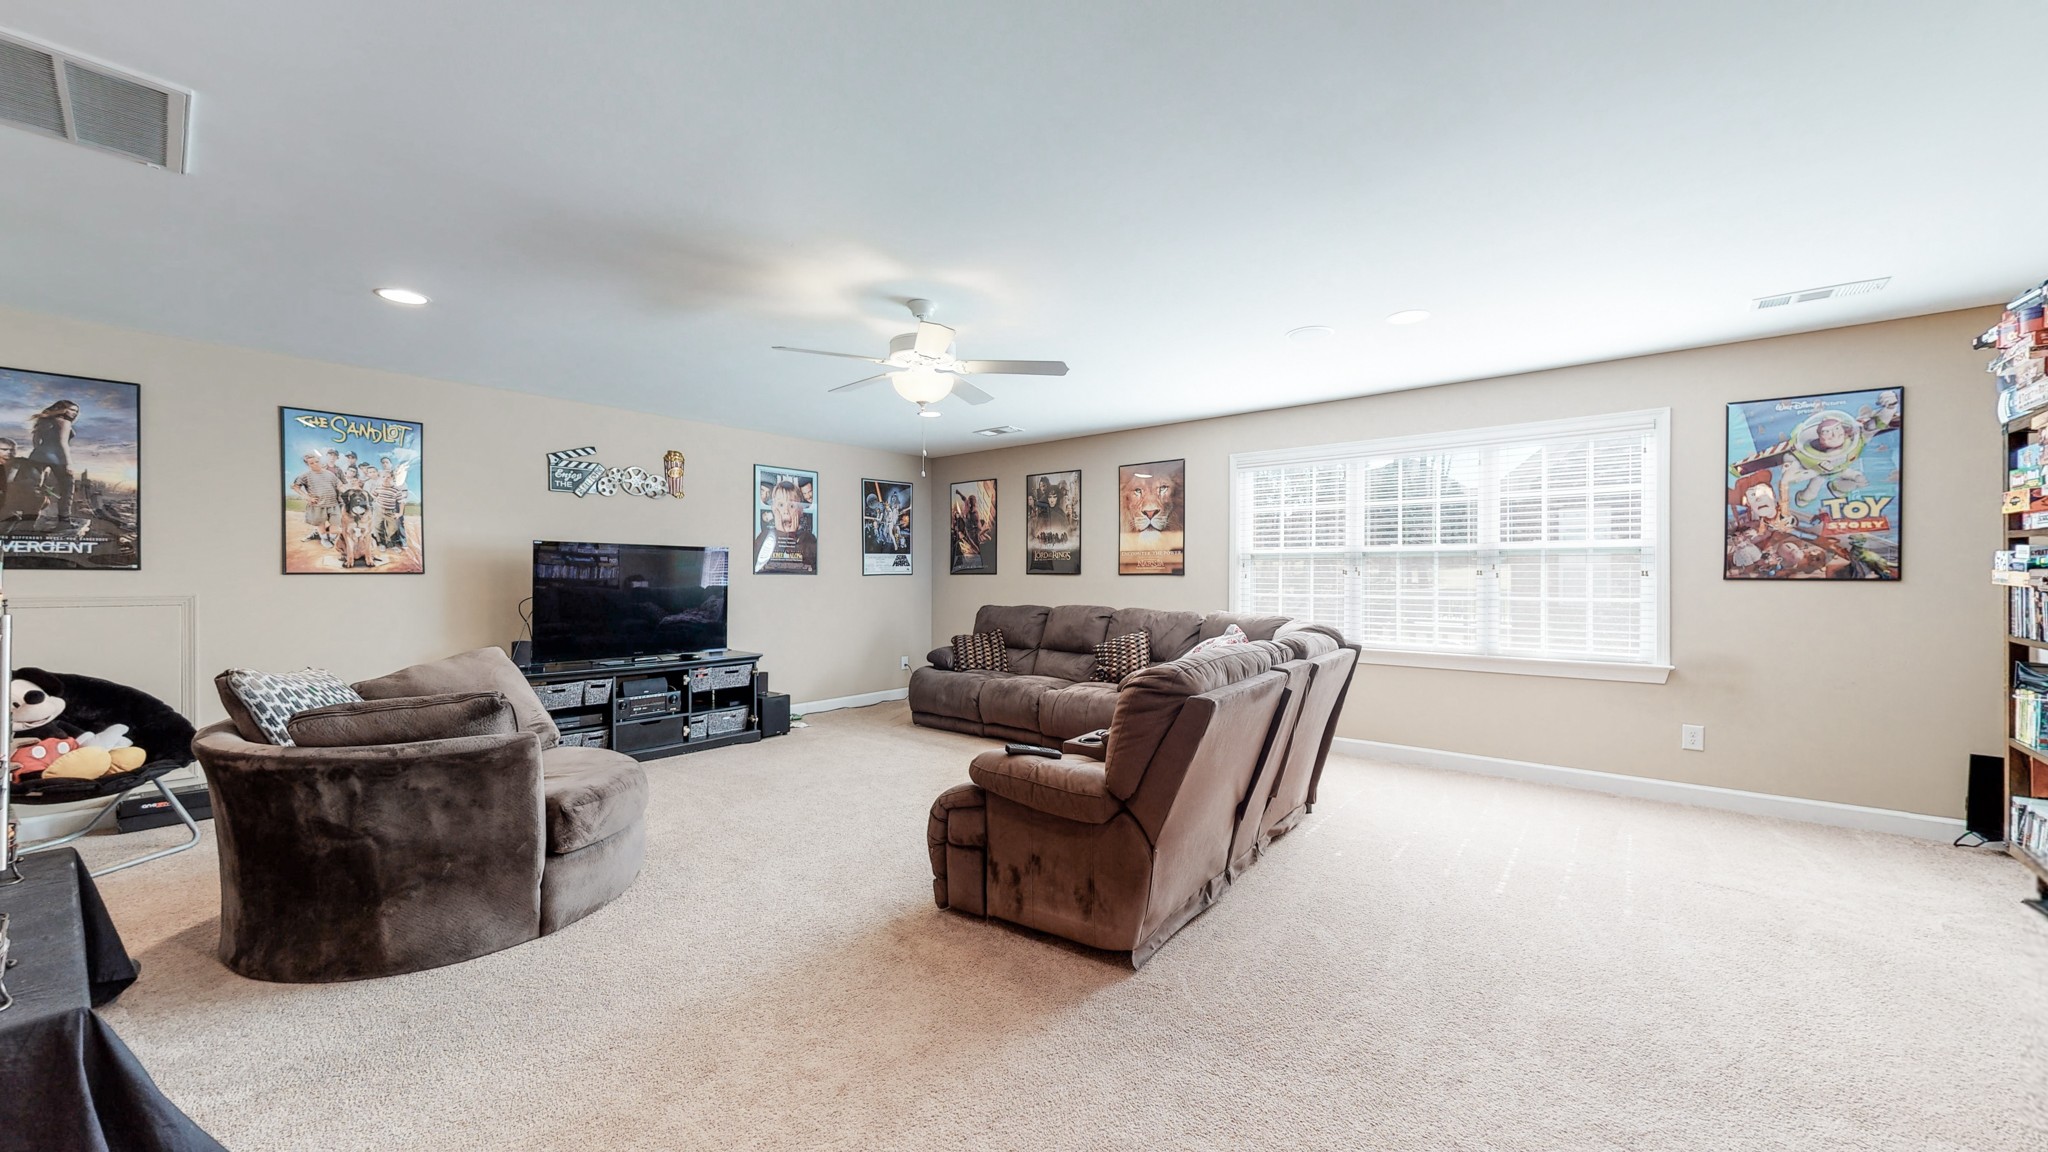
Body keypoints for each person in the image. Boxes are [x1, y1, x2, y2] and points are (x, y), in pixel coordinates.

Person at [753, 478, 817, 573]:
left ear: (801, 511)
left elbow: (807, 568)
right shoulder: (765, 536)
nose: (786, 511)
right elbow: (758, 566)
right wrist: (780, 533)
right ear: (774, 509)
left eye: (791, 506)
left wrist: (792, 536)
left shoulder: (809, 539)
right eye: (781, 505)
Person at [291, 451, 343, 548]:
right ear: (307, 464)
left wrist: (347, 491)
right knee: (320, 524)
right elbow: (295, 486)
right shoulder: (305, 475)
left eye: (317, 461)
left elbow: (339, 485)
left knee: (335, 525)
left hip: (333, 503)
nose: (315, 464)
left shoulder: (329, 474)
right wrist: (307, 497)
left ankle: (332, 538)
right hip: (318, 505)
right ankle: (324, 539)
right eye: (312, 463)